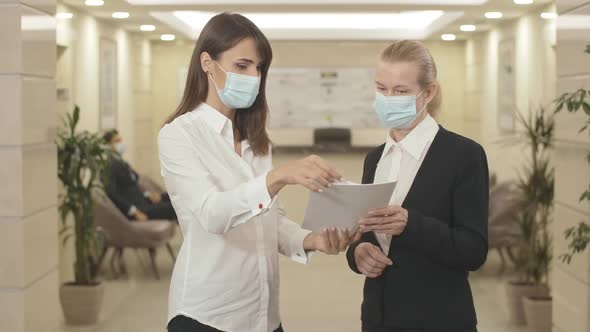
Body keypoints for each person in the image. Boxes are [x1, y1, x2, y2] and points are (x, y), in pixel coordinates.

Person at [158, 13, 359, 332]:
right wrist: (277, 177)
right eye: (242, 65)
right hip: (207, 315)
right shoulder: (179, 135)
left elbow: (270, 221)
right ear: (207, 63)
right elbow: (213, 214)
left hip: (263, 315)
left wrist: (313, 240)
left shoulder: (255, 140)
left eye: (259, 67)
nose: (253, 75)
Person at [346, 40, 489, 332]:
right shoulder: (375, 159)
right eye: (381, 89)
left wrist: (410, 224)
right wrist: (358, 252)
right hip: (378, 318)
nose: (388, 98)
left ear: (428, 92)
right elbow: (366, 234)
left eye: (401, 91)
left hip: (439, 319)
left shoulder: (464, 155)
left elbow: (474, 251)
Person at [103, 129, 177, 221]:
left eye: (120, 140)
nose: (121, 144)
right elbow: (111, 193)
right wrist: (133, 211)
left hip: (143, 201)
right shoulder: (110, 165)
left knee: (174, 197)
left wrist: (147, 195)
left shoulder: (121, 162)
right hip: (139, 208)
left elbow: (131, 186)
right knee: (176, 206)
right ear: (108, 146)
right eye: (117, 141)